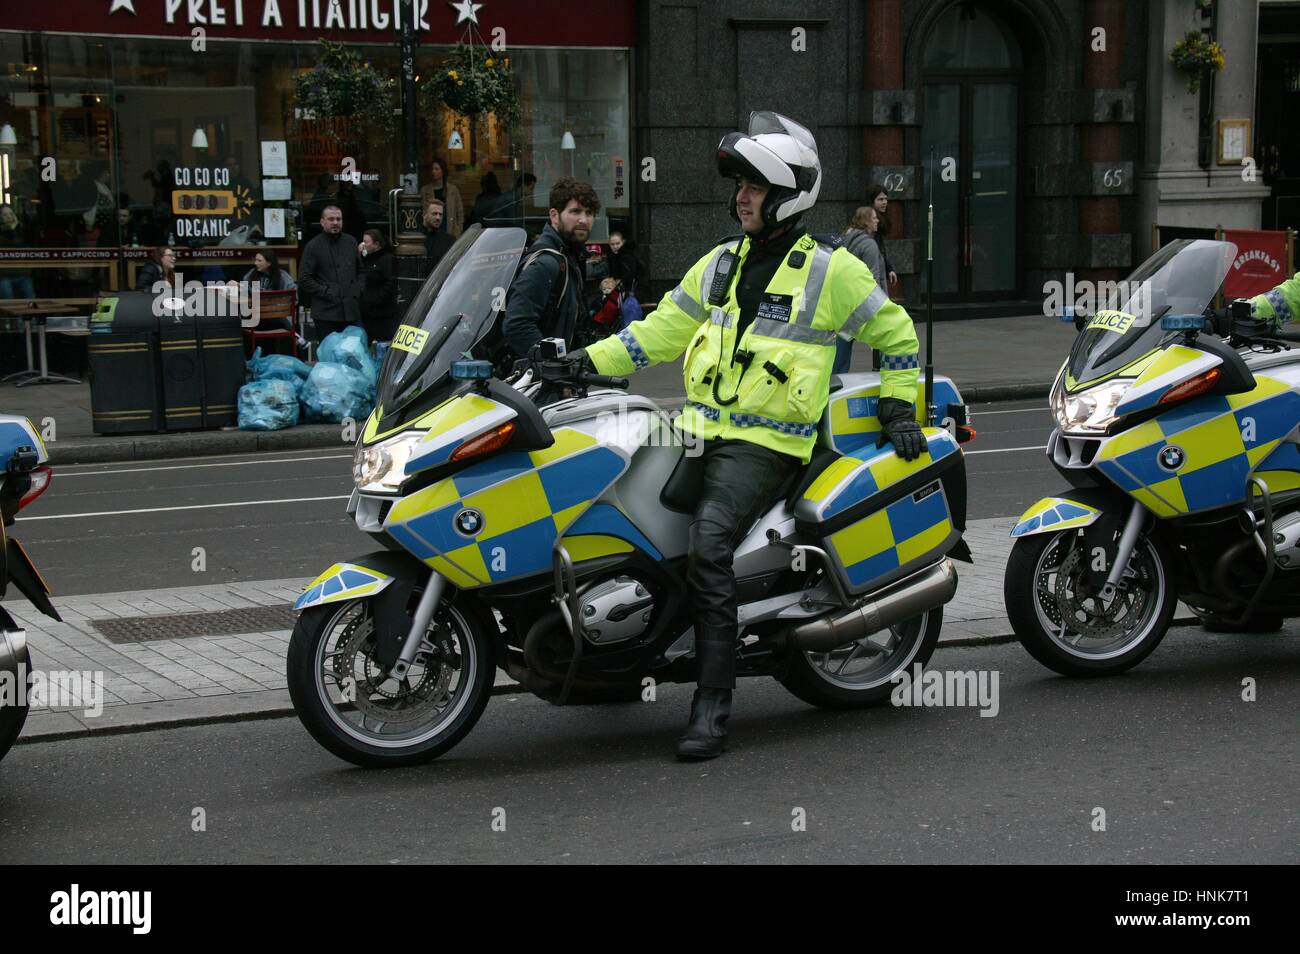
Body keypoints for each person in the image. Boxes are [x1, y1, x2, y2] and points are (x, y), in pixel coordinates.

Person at [573, 111, 922, 761]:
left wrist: (898, 409)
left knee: (707, 542)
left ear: (789, 195)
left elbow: (898, 337)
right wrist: (581, 361)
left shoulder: (831, 270)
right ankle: (620, 657)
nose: (740, 197)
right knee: (618, 508)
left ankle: (712, 703)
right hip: (700, 430)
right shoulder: (722, 264)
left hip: (771, 443)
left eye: (754, 187)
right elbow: (656, 335)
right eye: (739, 185)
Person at [500, 176, 600, 359]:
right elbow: (517, 325)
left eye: (589, 213)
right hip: (542, 380)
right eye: (576, 212)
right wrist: (555, 367)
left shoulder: (571, 256)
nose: (584, 220)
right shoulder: (546, 263)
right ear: (554, 215)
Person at [833, 205, 888, 373]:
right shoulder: (869, 244)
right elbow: (874, 277)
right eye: (873, 218)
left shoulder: (844, 239)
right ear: (865, 221)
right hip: (867, 304)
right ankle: (883, 378)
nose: (877, 220)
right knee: (883, 342)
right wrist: (881, 305)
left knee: (842, 344)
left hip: (845, 302)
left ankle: (836, 380)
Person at [298, 205, 360, 343]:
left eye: (338, 219)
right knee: (330, 354)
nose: (335, 222)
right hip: (326, 311)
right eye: (331, 219)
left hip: (350, 309)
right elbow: (304, 278)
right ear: (322, 222)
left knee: (354, 352)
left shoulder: (351, 242)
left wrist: (357, 290)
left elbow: (360, 271)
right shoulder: (313, 246)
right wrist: (326, 291)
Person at [356, 228, 399, 344]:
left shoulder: (387, 259)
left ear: (376, 244)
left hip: (382, 313)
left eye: (366, 242)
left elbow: (390, 283)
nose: (363, 245)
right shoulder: (365, 259)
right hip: (367, 314)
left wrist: (375, 300)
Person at [420, 157, 464, 237]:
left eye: (437, 169)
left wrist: (458, 230)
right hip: (431, 231)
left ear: (443, 171)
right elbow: (422, 211)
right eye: (432, 169)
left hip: (449, 230)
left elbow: (460, 212)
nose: (433, 171)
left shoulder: (452, 190)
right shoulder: (425, 190)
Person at [0, 204, 36, 299]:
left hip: (23, 273)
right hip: (4, 275)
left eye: (11, 213)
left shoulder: (21, 229)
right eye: (5, 214)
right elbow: (11, 244)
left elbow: (27, 245)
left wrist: (16, 228)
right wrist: (12, 229)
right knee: (9, 300)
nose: (9, 216)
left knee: (31, 299)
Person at [867, 183, 899, 290]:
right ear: (872, 201)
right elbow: (875, 251)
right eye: (880, 199)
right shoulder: (869, 224)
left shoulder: (879, 221)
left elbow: (880, 250)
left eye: (885, 199)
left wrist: (889, 269)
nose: (884, 202)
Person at [422, 198, 456, 273]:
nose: (438, 218)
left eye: (440, 214)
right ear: (424, 214)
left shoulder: (449, 240)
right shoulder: (416, 239)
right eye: (434, 214)